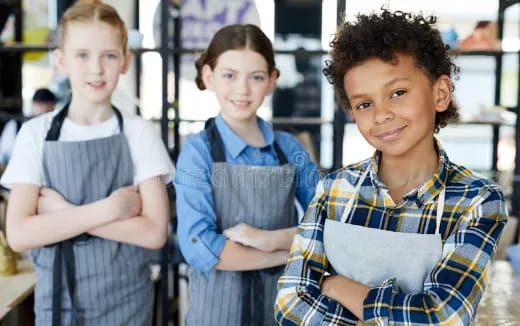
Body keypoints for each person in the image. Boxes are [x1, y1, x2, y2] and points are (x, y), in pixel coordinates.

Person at [275, 10, 508, 326]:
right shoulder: (333, 190)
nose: (381, 115)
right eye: (364, 104)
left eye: (397, 93)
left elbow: (442, 317)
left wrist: (335, 285)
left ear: (440, 93)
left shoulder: (477, 201)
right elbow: (291, 304)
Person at [1, 0, 174, 324]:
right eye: (82, 55)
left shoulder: (139, 133)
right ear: (61, 60)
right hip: (57, 307)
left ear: (124, 61)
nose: (96, 68)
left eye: (108, 55)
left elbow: (153, 233)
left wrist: (61, 213)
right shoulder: (35, 134)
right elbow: (20, 234)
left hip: (127, 307)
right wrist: (110, 209)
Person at [174, 24, 320, 326]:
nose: (242, 89)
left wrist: (270, 239)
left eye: (255, 77)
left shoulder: (290, 149)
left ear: (271, 81)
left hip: (284, 312)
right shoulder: (197, 152)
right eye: (230, 75)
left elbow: (327, 227)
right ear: (208, 77)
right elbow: (199, 247)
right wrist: (284, 254)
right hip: (215, 315)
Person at [0, 88, 57, 165]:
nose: (47, 110)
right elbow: (4, 156)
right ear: (35, 104)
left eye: (50, 107)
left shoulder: (56, 127)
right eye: (42, 105)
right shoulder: (17, 124)